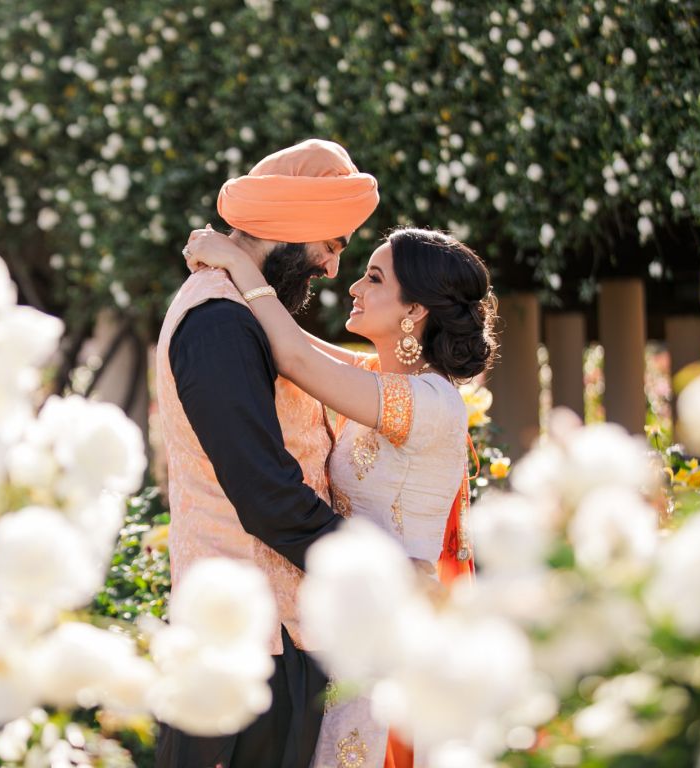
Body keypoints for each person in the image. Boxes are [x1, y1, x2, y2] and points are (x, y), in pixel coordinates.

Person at [183, 225, 498, 768]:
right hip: (351, 631)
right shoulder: (383, 380)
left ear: (414, 310)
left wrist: (236, 261)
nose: (353, 286)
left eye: (374, 278)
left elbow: (296, 361)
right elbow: (295, 345)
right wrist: (234, 268)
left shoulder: (430, 404)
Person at [155, 138, 379, 768]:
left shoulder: (241, 309)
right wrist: (377, 572)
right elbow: (266, 495)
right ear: (292, 227)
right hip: (247, 648)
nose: (334, 268)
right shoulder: (218, 323)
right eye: (332, 244)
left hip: (267, 637)